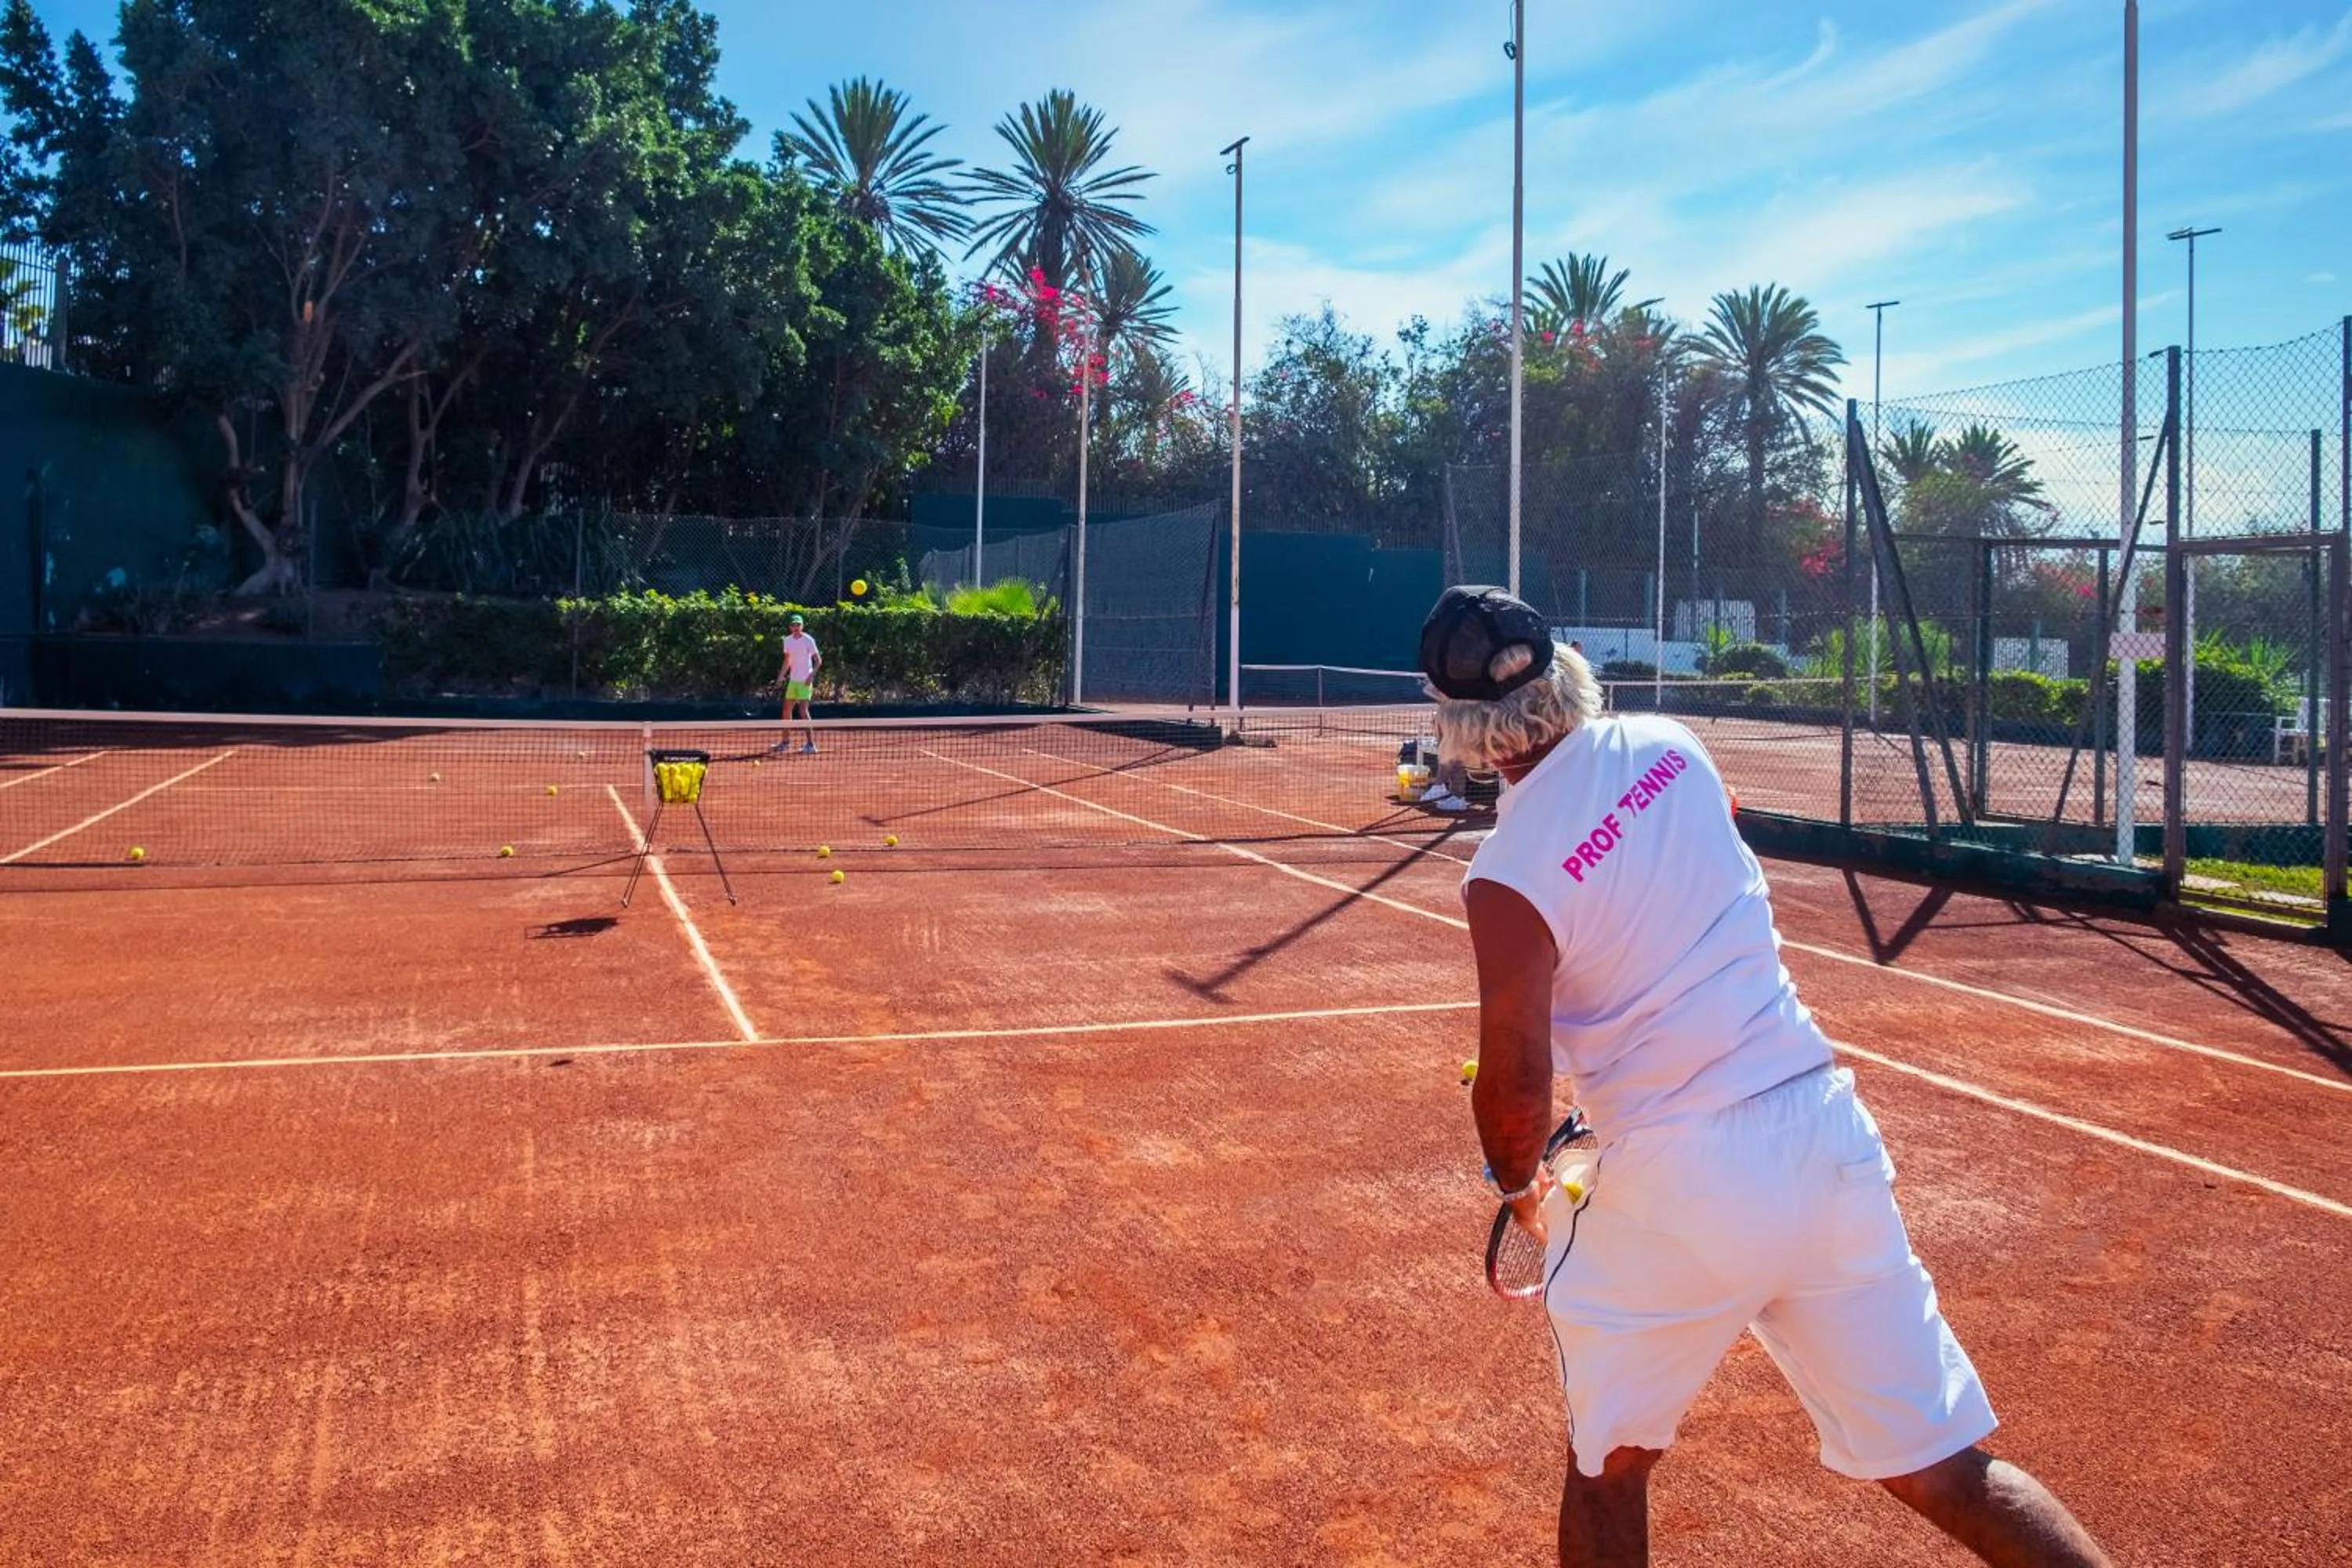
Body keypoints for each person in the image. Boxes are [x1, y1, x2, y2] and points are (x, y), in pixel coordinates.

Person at [1420, 584, 2110, 1568]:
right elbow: (1683, 858)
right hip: (1821, 1135)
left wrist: (1518, 1181)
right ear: (1565, 667)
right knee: (1946, 1468)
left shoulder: (1504, 875)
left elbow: (1518, 1092)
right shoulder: (1674, 745)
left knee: (1610, 1466)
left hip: (1674, 1180)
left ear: (1460, 730)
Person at [776, 612, 822, 754]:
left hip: (805, 682)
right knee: (786, 710)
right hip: (793, 681)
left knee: (803, 710)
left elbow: (819, 661)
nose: (796, 627)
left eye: (798, 625)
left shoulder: (809, 640)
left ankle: (810, 744)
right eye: (793, 625)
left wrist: (810, 677)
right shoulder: (787, 640)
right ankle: (785, 742)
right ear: (789, 627)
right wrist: (780, 677)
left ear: (802, 626)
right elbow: (787, 660)